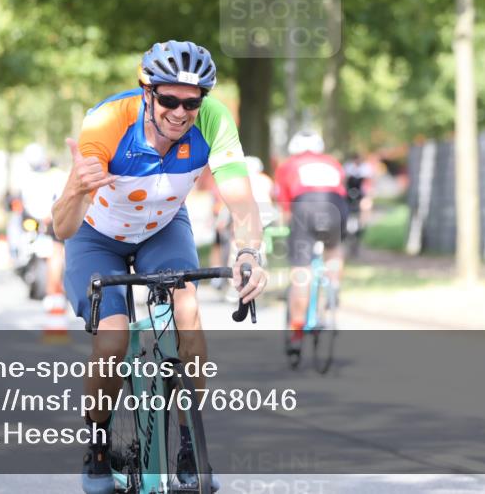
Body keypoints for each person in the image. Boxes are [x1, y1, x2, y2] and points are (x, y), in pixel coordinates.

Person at [52, 40, 268, 494]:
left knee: (188, 317)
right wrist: (75, 190)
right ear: (146, 91)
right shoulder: (108, 122)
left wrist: (249, 252)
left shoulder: (213, 120)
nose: (180, 112)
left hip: (162, 228)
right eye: (168, 99)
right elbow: (63, 229)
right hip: (96, 236)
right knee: (112, 336)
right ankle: (95, 440)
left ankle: (188, 441)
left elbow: (242, 201)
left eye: (191, 102)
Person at [274, 130, 348, 352]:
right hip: (335, 205)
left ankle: (296, 330)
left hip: (305, 205)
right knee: (334, 249)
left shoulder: (288, 165)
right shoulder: (332, 162)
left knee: (301, 270)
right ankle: (333, 282)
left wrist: (287, 227)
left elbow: (284, 203)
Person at [18, 143, 68, 298]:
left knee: (57, 251)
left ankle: (54, 288)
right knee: (55, 251)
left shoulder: (54, 175)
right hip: (34, 219)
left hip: (50, 219)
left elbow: (62, 196)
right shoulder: (28, 176)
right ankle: (53, 288)